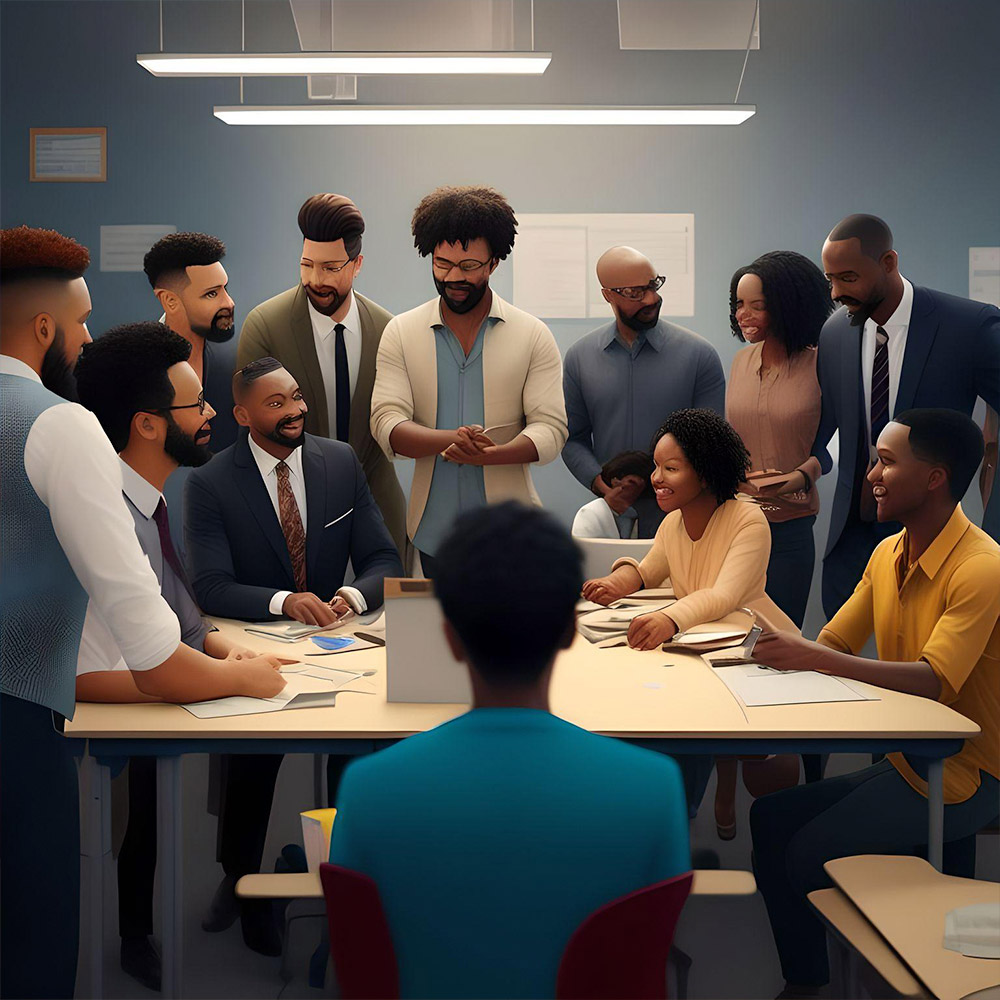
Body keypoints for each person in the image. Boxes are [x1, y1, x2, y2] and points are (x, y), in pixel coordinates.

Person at [0, 226, 283, 1000]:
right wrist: (251, 680)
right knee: (30, 945)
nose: (88, 336)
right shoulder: (61, 426)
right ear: (45, 329)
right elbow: (155, 656)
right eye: (82, 320)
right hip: (19, 726)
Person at [328, 501, 690, 998]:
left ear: (450, 639)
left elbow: (361, 966)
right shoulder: (654, 787)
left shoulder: (368, 787)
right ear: (569, 632)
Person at [750, 409, 1000, 999]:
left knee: (810, 852)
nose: (870, 477)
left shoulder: (981, 567)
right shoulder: (888, 552)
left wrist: (809, 659)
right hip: (908, 758)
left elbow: (933, 681)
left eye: (886, 462)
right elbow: (833, 643)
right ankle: (807, 981)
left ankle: (860, 980)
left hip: (964, 772)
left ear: (935, 478)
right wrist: (762, 657)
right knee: (772, 818)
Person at [73, 322, 278, 991]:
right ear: (148, 425)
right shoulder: (106, 519)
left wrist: (221, 648)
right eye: (197, 406)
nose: (214, 412)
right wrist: (232, 679)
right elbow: (90, 676)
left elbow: (177, 613)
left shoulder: (147, 502)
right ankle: (131, 936)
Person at [185, 356, 402, 953]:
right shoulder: (210, 481)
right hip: (256, 648)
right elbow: (208, 586)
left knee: (357, 750)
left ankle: (350, 874)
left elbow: (386, 560)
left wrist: (352, 594)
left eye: (297, 398)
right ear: (243, 414)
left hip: (341, 643)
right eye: (276, 403)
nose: (294, 411)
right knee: (253, 761)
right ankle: (241, 879)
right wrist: (286, 601)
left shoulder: (338, 460)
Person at [582, 408, 797, 826]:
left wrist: (670, 618)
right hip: (693, 649)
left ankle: (692, 810)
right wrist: (617, 583)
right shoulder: (674, 522)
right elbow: (648, 570)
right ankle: (677, 814)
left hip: (752, 648)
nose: (656, 478)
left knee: (751, 761)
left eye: (671, 468)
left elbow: (725, 594)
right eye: (657, 467)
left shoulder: (748, 520)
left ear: (705, 471)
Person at [370, 185, 568, 579]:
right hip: (432, 535)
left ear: (493, 263)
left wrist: (494, 455)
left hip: (512, 535)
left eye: (469, 266)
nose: (453, 277)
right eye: (442, 264)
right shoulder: (401, 332)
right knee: (441, 639)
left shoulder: (532, 334)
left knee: (509, 640)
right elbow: (385, 422)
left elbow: (551, 428)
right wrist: (451, 441)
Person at [813, 214, 1000, 619]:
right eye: (830, 279)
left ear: (889, 263)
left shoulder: (968, 326)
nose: (836, 292)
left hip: (932, 538)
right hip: (852, 537)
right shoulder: (833, 334)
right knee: (838, 664)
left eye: (847, 278)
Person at [237, 193, 407, 559]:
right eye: (306, 265)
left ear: (357, 264)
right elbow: (251, 429)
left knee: (393, 605)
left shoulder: (387, 329)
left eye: (330, 268)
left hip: (376, 498)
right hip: (289, 500)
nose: (316, 280)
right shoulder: (266, 325)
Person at [563, 246, 726, 538]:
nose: (651, 298)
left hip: (686, 522)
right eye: (635, 292)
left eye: (653, 285)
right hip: (610, 521)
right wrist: (602, 486)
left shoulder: (700, 356)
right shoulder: (579, 358)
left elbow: (712, 445)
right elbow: (572, 439)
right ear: (608, 295)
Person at [726, 250, 833, 628]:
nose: (744, 315)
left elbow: (833, 440)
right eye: (739, 304)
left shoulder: (823, 362)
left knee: (781, 637)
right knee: (731, 634)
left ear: (788, 305)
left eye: (758, 305)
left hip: (791, 527)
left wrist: (802, 476)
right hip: (735, 523)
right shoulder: (740, 363)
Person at [144, 231, 240, 452]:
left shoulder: (236, 364)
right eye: (211, 294)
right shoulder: (135, 368)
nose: (229, 303)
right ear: (169, 301)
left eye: (225, 289)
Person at [571, 449, 652, 539]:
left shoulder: (647, 517)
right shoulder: (590, 514)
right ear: (615, 482)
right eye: (632, 483)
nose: (636, 491)